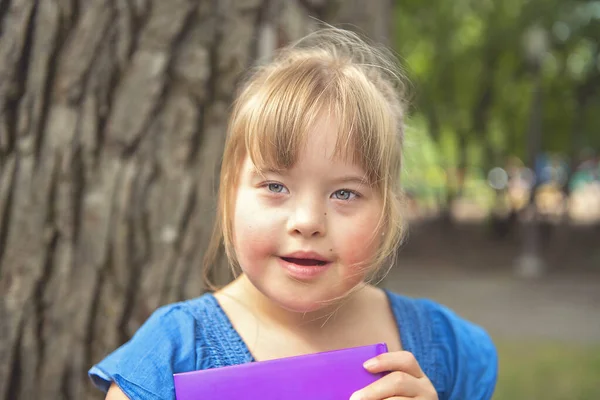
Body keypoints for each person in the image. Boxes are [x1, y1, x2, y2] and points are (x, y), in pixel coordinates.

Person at [89, 27, 498, 400]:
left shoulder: (449, 353)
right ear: (230, 192)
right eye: (275, 186)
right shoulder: (167, 358)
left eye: (344, 193)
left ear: (390, 210)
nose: (307, 222)